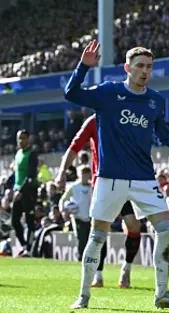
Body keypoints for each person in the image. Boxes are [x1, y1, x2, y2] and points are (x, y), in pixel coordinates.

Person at [63, 40, 169, 309]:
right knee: (98, 236)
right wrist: (83, 67)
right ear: (127, 68)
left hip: (144, 178)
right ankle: (83, 296)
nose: (145, 71)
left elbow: (165, 135)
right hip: (109, 178)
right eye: (140, 66)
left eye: (149, 67)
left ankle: (162, 294)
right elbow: (71, 93)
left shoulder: (155, 100)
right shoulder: (108, 92)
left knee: (165, 230)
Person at [55, 114, 144, 289]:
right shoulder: (93, 122)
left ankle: (126, 268)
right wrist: (62, 172)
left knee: (134, 226)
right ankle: (98, 275)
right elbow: (74, 147)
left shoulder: (126, 118)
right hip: (102, 185)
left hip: (126, 182)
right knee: (101, 231)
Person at [11, 130, 38, 257]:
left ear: (28, 139)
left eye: (23, 138)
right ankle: (24, 245)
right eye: (19, 138)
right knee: (14, 220)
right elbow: (17, 174)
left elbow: (31, 175)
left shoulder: (32, 154)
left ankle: (29, 248)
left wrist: (21, 191)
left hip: (29, 192)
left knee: (29, 220)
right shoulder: (18, 154)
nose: (21, 141)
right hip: (18, 191)